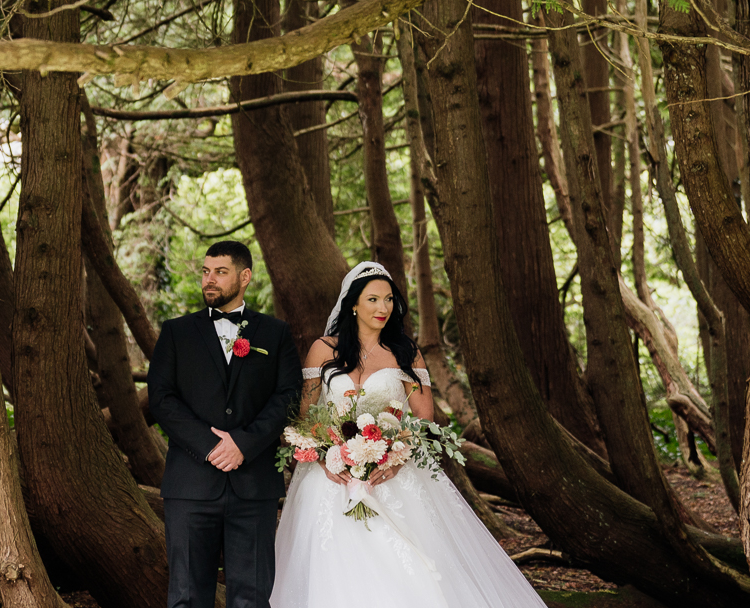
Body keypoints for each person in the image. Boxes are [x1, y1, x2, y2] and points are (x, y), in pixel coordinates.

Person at [272, 261, 546, 607]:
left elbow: (423, 418)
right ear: (353, 304)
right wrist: (328, 455)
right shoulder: (323, 349)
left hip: (392, 474)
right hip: (330, 479)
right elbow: (307, 415)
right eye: (373, 299)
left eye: (388, 300)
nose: (383, 308)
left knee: (408, 564)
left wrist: (396, 456)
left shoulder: (405, 353)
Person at [146, 240, 302, 608]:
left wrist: (244, 444)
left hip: (254, 487)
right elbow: (162, 399)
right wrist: (212, 446)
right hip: (190, 486)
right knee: (186, 597)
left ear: (245, 277)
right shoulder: (176, 333)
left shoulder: (275, 334)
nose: (209, 280)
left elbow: (288, 397)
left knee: (252, 596)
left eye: (220, 272)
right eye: (205, 271)